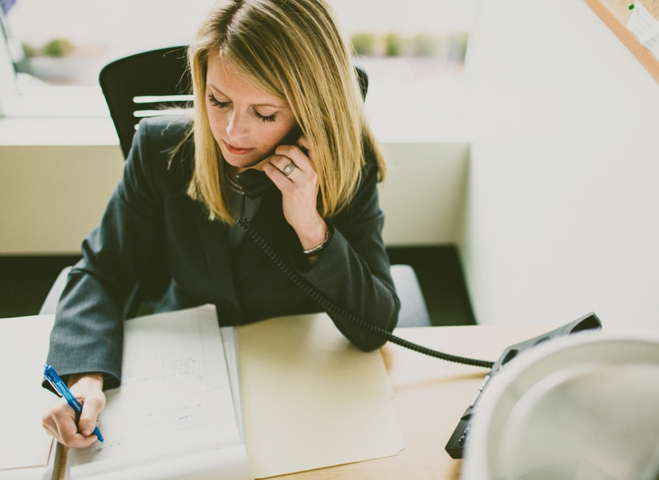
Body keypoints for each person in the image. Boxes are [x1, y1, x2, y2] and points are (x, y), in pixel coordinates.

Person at [41, 0, 399, 448]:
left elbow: (375, 330)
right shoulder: (161, 147)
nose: (232, 132)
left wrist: (310, 225)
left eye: (264, 114)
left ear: (312, 111)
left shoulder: (349, 163)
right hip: (185, 354)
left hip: (291, 365)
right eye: (218, 100)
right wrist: (85, 375)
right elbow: (102, 269)